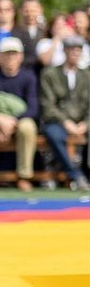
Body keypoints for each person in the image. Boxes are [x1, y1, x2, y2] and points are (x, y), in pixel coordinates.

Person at [39, 35, 90, 191]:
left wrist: (86, 123)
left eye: (78, 50)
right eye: (72, 49)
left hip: (82, 122)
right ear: (65, 51)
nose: (75, 53)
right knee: (55, 136)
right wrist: (66, 122)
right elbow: (48, 106)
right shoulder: (50, 74)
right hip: (58, 121)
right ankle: (76, 175)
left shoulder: (88, 75)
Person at [0, 36, 39, 191]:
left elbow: (33, 108)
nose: (10, 57)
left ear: (21, 57)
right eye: (6, 54)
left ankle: (24, 176)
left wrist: (12, 121)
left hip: (19, 120)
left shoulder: (29, 77)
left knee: (27, 127)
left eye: (14, 54)